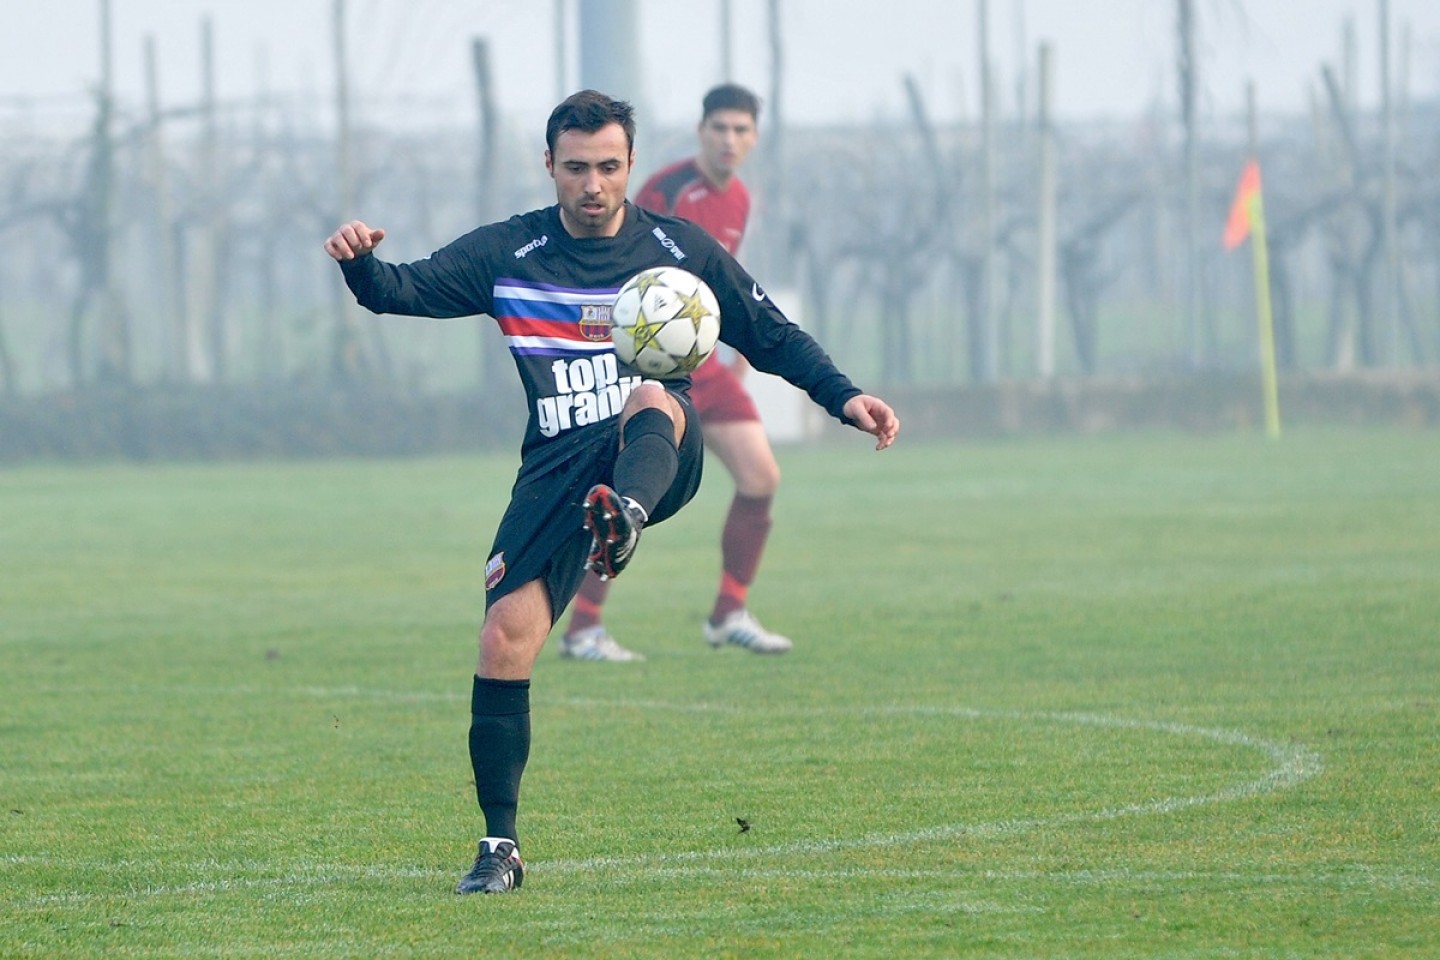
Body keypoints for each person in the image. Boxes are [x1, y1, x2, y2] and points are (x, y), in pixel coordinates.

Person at [324, 90, 899, 896]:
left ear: (630, 165)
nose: (592, 184)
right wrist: (357, 261)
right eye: (576, 168)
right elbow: (402, 289)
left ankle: (624, 518)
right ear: (550, 166)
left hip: (656, 452)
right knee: (504, 639)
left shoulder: (678, 251)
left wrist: (845, 398)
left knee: (650, 394)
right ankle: (500, 849)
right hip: (558, 472)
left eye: (608, 167)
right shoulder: (509, 252)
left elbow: (767, 334)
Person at [559, 83, 792, 662]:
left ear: (753, 138)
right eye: (720, 129)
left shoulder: (740, 197)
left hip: (708, 369)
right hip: (653, 372)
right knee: (627, 499)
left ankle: (727, 613)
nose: (730, 140)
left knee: (761, 478)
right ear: (702, 131)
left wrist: (733, 345)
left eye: (741, 130)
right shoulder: (667, 189)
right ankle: (583, 627)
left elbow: (721, 287)